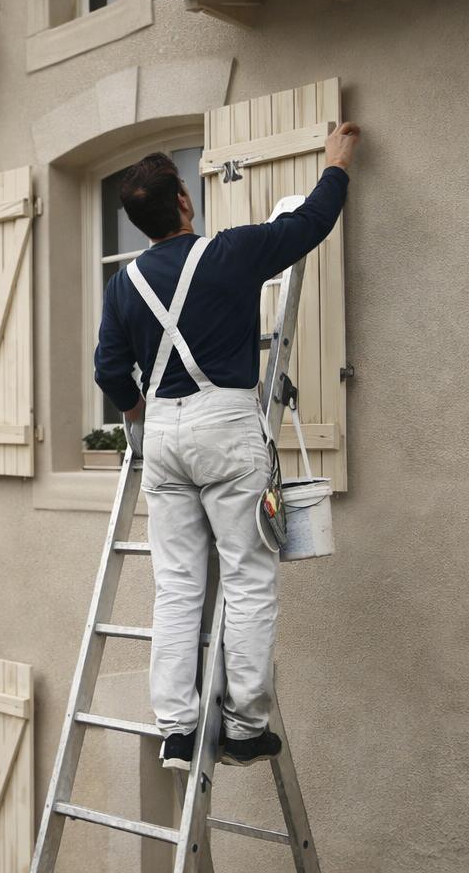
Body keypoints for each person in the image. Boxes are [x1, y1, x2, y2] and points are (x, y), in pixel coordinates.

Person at [93, 122, 360, 770]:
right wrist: (337, 164)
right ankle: (244, 726)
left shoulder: (124, 285)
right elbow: (310, 225)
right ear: (183, 202)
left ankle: (178, 730)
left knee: (177, 583)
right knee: (245, 576)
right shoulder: (227, 253)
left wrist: (141, 413)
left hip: (162, 436)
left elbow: (107, 370)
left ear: (137, 222)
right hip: (226, 423)